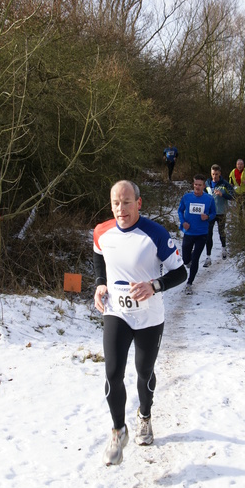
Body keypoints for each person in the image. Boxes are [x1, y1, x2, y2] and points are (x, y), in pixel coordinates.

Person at [93, 180, 187, 466]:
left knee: (143, 372)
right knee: (112, 373)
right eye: (115, 203)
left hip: (148, 317)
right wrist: (99, 284)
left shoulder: (155, 234)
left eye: (127, 202)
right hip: (116, 312)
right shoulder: (101, 232)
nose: (121, 209)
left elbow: (180, 273)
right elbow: (99, 257)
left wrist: (154, 286)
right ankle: (118, 431)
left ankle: (145, 416)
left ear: (139, 203)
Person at [178, 174, 216, 295]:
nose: (197, 187)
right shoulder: (187, 197)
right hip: (189, 232)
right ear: (193, 185)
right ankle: (189, 261)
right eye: (195, 184)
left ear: (204, 186)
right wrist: (183, 222)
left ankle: (189, 283)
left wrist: (208, 217)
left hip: (202, 233)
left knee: (195, 259)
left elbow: (214, 213)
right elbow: (180, 210)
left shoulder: (209, 199)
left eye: (200, 185)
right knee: (185, 259)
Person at [203, 164, 235, 267]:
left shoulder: (224, 184)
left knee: (222, 232)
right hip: (210, 213)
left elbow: (232, 196)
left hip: (221, 212)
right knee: (209, 234)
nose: (214, 176)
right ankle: (208, 257)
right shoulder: (207, 183)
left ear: (220, 173)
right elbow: (203, 196)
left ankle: (224, 249)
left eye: (216, 174)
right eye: (213, 174)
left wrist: (223, 195)